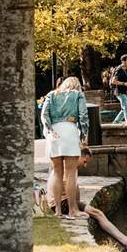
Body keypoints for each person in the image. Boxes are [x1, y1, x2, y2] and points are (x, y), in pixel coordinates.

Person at [57, 147, 127, 249]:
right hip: (64, 203)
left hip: (67, 202)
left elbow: (74, 190)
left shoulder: (72, 168)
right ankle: (126, 241)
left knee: (97, 214)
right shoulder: (70, 167)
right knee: (98, 213)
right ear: (79, 156)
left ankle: (120, 240)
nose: (85, 165)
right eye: (84, 161)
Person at [41, 76, 90, 219]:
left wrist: (49, 130)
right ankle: (72, 210)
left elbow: (44, 115)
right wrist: (83, 135)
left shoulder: (51, 94)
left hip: (54, 134)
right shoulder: (78, 95)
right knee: (70, 174)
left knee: (57, 173)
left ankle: (58, 211)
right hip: (70, 131)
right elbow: (83, 116)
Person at [109, 54, 127, 124]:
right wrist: (124, 84)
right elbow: (113, 81)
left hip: (125, 92)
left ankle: (115, 122)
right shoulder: (119, 69)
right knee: (126, 108)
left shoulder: (126, 69)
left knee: (124, 109)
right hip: (119, 92)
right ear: (123, 61)